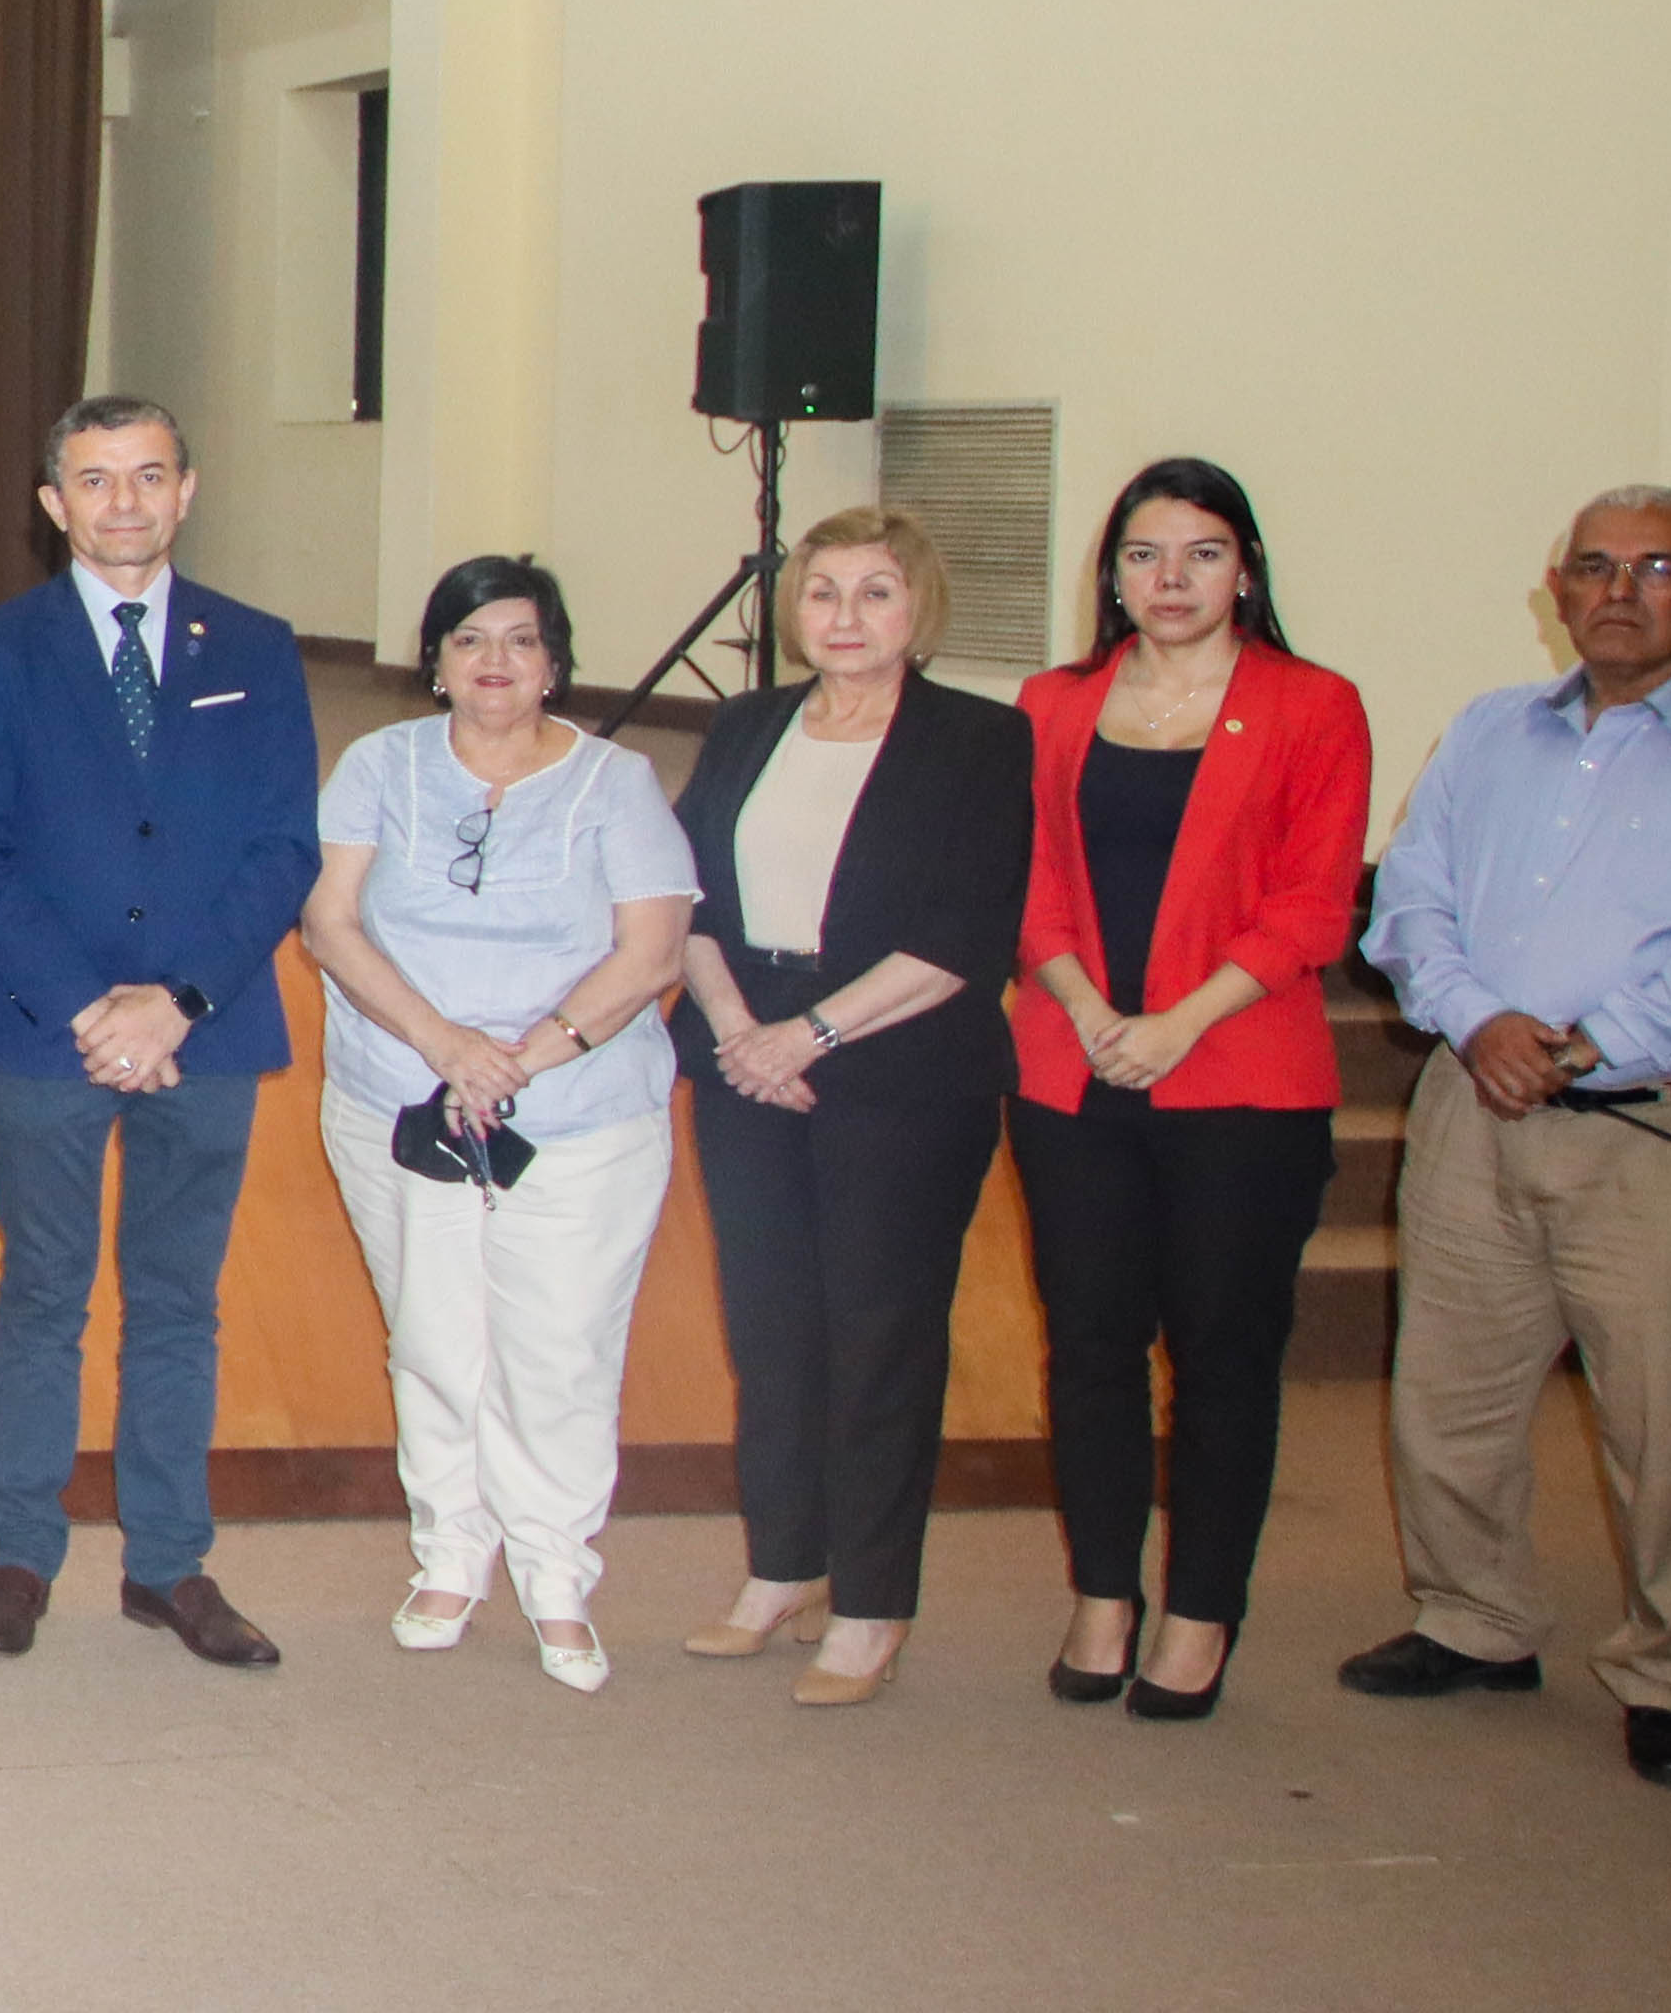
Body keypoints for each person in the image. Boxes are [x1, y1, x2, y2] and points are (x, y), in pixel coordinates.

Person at [1341, 488, 1671, 1794]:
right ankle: (1474, 1620)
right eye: (1593, 566)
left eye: (1657, 568)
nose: (1620, 590)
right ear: (1554, 588)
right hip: (1476, 1110)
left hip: (1667, 1134)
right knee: (1447, 1400)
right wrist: (1477, 1022)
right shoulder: (1486, 734)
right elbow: (1408, 900)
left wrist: (1577, 1043)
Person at [0, 395, 322, 1668]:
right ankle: (17, 1555)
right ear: (51, 504)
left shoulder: (257, 649)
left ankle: (167, 1565)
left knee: (175, 1303)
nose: (123, 503)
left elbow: (281, 849)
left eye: (146, 476)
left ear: (186, 489)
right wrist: (93, 1004)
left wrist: (178, 999)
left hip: (204, 1035)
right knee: (40, 1293)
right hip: (44, 1030)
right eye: (94, 481)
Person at [1005, 456, 1369, 1721]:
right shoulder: (1051, 703)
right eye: (1144, 556)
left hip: (1240, 1079)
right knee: (1090, 1347)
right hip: (1072, 1068)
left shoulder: (1310, 704)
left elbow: (1313, 904)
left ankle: (1201, 1611)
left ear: (1245, 569)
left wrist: (1179, 1023)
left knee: (1221, 1358)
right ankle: (1103, 1593)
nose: (1170, 581)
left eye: (1201, 554)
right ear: (1109, 576)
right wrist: (1095, 1013)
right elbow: (1027, 879)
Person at [296, 555, 700, 1694]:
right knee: (430, 1335)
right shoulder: (377, 764)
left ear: (554, 662)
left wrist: (520, 1059)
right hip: (399, 1100)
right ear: (433, 661)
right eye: (469, 640)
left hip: (575, 1116)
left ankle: (555, 1570)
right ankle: (450, 1552)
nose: (493, 662)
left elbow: (650, 951)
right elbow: (329, 923)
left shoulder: (617, 782)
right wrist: (445, 1047)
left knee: (558, 1349)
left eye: (519, 641)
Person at [660, 507, 1039, 1707]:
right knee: (769, 1328)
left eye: (874, 594)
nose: (844, 618)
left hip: (897, 1062)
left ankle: (870, 1601)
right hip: (743, 1052)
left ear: (916, 610)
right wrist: (734, 1033)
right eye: (823, 594)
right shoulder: (746, 723)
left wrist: (808, 1033)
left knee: (877, 1333)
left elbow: (961, 937)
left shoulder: (976, 740)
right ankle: (782, 1568)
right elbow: (687, 896)